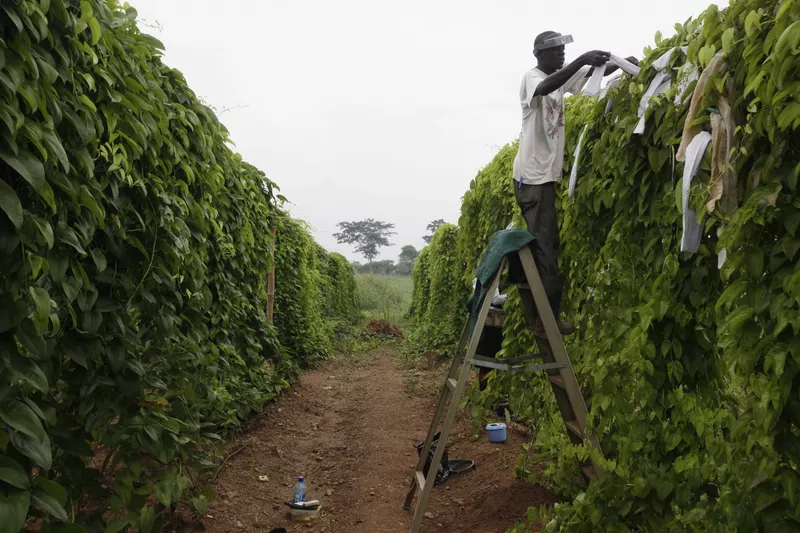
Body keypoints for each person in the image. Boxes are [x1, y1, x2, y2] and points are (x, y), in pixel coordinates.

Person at [512, 31, 635, 338]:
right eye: (557, 52)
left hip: (545, 176)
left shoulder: (560, 78)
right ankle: (545, 321)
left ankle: (542, 317)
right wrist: (582, 59)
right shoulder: (534, 77)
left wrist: (621, 64)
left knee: (547, 243)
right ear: (541, 54)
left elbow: (588, 73)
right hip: (533, 177)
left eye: (565, 52)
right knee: (545, 246)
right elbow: (544, 87)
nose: (562, 56)